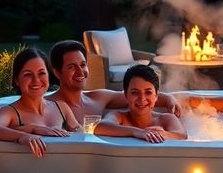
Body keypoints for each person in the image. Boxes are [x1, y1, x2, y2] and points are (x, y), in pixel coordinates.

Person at [46, 40, 182, 123]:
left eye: (83, 65)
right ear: (57, 72)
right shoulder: (48, 105)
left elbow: (138, 97)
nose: (80, 72)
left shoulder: (98, 98)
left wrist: (169, 99)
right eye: (71, 67)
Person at [0, 48, 79, 157]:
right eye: (28, 74)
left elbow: (81, 134)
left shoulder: (61, 107)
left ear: (48, 75)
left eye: (41, 73)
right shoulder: (10, 112)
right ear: (17, 80)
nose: (36, 80)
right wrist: (30, 130)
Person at [94, 64, 187, 143]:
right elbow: (100, 127)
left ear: (156, 96)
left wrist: (160, 133)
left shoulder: (166, 119)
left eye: (148, 92)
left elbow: (182, 135)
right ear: (126, 95)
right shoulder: (119, 117)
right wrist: (138, 132)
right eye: (135, 92)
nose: (142, 99)